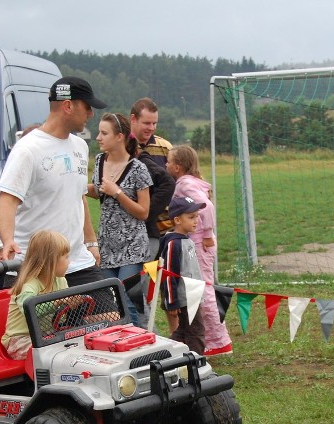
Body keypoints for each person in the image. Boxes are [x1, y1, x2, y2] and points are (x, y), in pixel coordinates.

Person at [0, 76, 106, 288]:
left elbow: (79, 198)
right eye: (87, 107)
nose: (91, 114)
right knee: (42, 323)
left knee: (108, 319)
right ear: (68, 106)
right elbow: (7, 201)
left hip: (77, 262)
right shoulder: (28, 149)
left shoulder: (80, 146)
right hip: (36, 265)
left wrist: (91, 242)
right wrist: (7, 240)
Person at [87, 112, 153, 327]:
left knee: (130, 301)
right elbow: (99, 191)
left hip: (132, 247)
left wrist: (118, 193)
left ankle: (144, 341)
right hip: (106, 245)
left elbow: (144, 212)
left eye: (104, 133)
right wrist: (75, 185)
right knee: (111, 303)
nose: (98, 137)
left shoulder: (138, 169)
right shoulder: (99, 161)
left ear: (120, 137)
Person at [167, 145, 233, 356]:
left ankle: (217, 342)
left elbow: (207, 206)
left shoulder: (185, 183)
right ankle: (213, 339)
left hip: (199, 243)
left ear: (177, 167)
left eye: (168, 161)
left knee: (203, 291)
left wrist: (206, 233)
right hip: (198, 242)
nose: (166, 164)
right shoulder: (191, 181)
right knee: (203, 289)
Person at [1, 230, 70, 360]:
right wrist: (58, 302)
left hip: (47, 336)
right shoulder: (29, 285)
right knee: (52, 353)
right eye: (66, 257)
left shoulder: (60, 280)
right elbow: (30, 310)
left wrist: (72, 304)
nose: (69, 262)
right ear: (51, 261)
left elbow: (61, 317)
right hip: (20, 340)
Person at [159, 196, 206, 355]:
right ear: (177, 220)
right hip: (185, 299)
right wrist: (172, 303)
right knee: (196, 332)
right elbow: (168, 274)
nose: (196, 221)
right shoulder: (173, 244)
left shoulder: (187, 240)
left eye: (197, 216)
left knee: (183, 331)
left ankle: (168, 356)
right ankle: (198, 365)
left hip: (193, 295)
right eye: (191, 217)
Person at [130, 98, 176, 259]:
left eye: (154, 124)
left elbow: (178, 181)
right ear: (133, 119)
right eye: (146, 123)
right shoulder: (120, 145)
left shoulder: (165, 147)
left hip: (164, 228)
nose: (151, 128)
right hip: (131, 226)